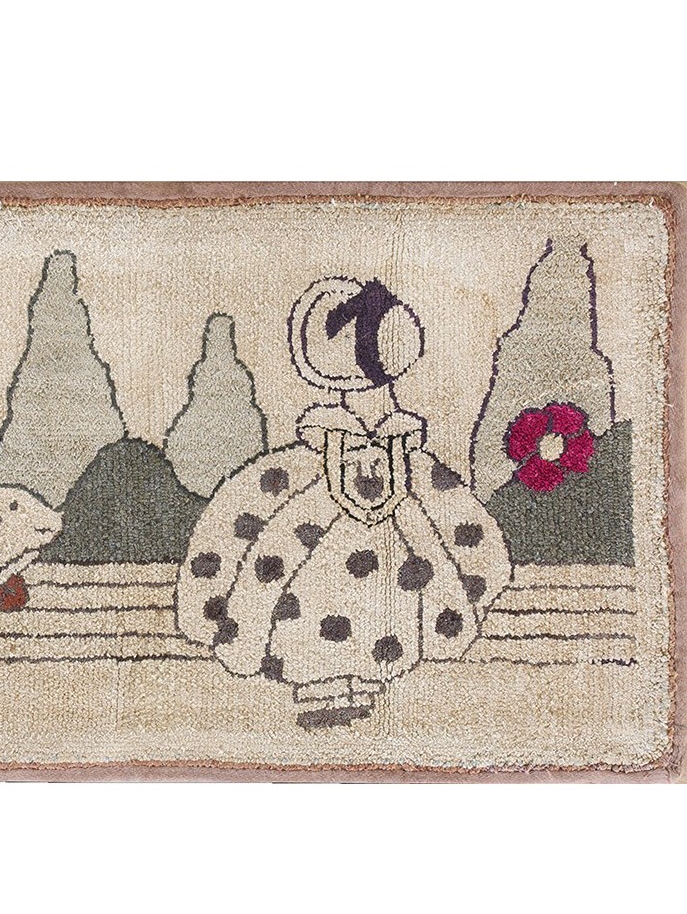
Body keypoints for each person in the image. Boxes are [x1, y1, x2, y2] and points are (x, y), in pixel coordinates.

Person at [176, 276, 513, 728]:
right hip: (326, 518)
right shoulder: (318, 454)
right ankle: (324, 682)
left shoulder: (402, 449)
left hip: (389, 528)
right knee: (314, 578)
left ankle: (359, 683)